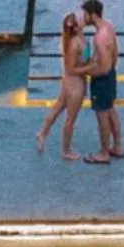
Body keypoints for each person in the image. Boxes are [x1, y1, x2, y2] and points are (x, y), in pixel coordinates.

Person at [35, 12, 88, 160]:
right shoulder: (75, 43)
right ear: (77, 25)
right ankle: (66, 151)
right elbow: (72, 68)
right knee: (70, 119)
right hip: (75, 84)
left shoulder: (77, 39)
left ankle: (42, 133)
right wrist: (90, 68)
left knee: (57, 107)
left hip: (69, 82)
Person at [79, 0, 124, 163]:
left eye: (85, 14)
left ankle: (103, 153)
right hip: (111, 75)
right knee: (111, 109)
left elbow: (103, 67)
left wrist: (88, 73)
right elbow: (115, 54)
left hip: (102, 80)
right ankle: (118, 147)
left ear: (92, 14)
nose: (84, 18)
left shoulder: (99, 38)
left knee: (102, 116)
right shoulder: (109, 27)